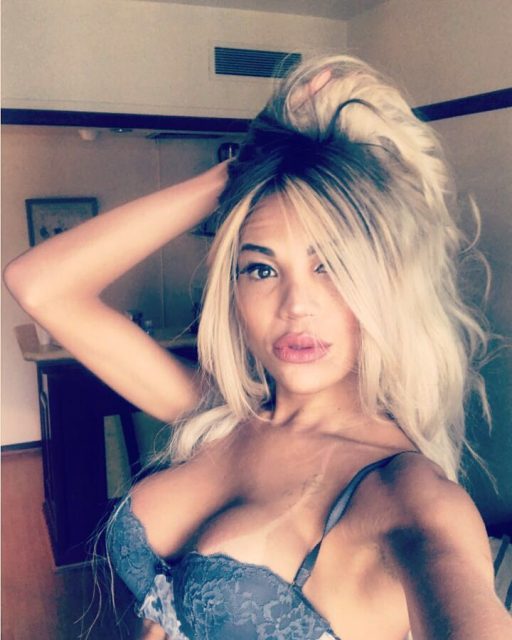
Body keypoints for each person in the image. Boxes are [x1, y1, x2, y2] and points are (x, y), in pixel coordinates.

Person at [5, 55, 511, 640]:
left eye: (331, 266)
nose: (296, 305)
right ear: (235, 289)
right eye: (262, 269)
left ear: (386, 286)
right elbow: (38, 286)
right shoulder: (218, 415)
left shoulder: (403, 494)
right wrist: (248, 167)